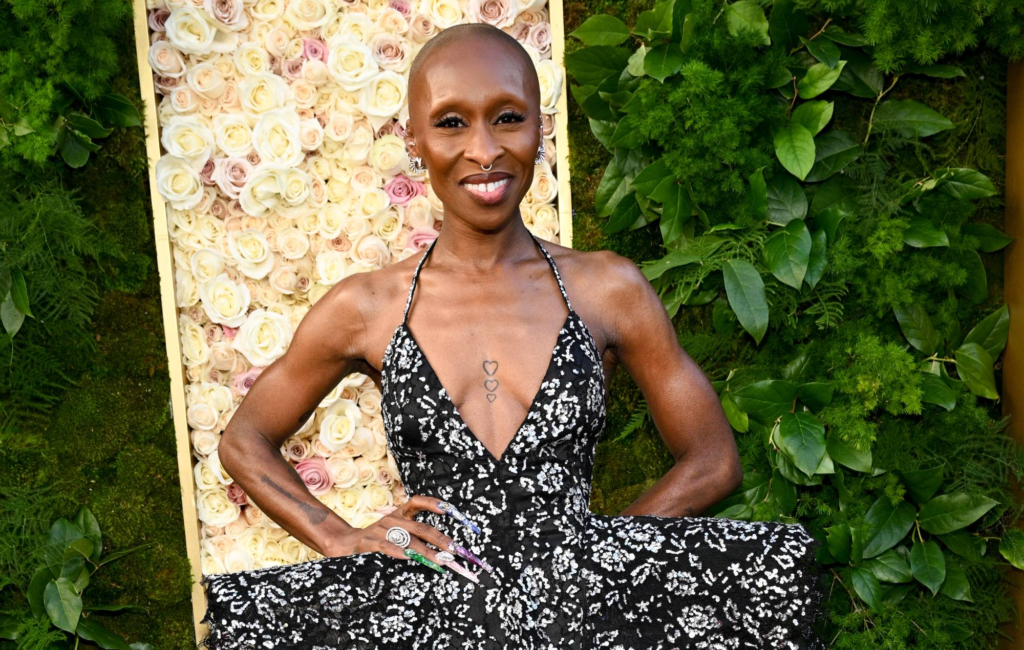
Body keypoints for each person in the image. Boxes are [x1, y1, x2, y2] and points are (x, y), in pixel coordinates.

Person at [198, 23, 826, 650]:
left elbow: (714, 460)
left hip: (582, 618)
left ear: (539, 128)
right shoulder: (368, 307)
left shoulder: (607, 289)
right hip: (427, 620)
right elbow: (244, 440)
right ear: (412, 140)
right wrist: (338, 537)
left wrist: (599, 560)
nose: (483, 149)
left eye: (506, 117)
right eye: (450, 123)